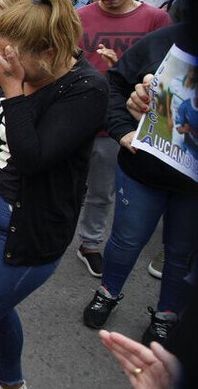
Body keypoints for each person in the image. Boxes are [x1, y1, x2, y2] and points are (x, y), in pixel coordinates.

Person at [0, 0, 109, 389]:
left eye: (10, 58)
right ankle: (13, 382)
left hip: (27, 236)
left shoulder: (86, 89)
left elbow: (32, 158)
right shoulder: (8, 63)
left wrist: (14, 92)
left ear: (50, 54)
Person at [81, 22, 197, 347]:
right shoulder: (168, 39)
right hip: (144, 170)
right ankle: (107, 292)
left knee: (180, 253)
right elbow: (115, 84)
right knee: (126, 240)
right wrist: (122, 128)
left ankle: (166, 315)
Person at [74, 0, 172, 280]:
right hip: (80, 117)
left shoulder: (156, 20)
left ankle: (89, 243)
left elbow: (165, 75)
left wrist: (124, 73)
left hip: (123, 125)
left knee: (103, 189)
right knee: (71, 183)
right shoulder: (82, 16)